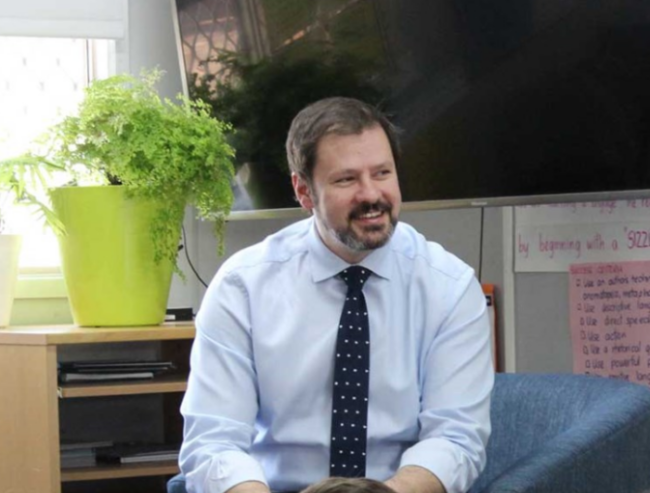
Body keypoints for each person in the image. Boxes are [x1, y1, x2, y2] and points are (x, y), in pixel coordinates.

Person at [179, 97, 494, 493]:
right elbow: (212, 444)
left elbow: (456, 439)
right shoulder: (242, 288)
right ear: (304, 191)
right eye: (346, 180)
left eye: (382, 173)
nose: (371, 194)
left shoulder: (449, 287)